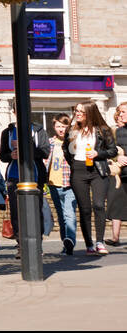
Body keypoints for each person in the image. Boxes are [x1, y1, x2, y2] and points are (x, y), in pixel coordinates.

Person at [65, 101, 117, 254]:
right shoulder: (72, 130)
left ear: (90, 112)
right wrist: (74, 164)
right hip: (79, 171)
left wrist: (98, 154)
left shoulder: (103, 130)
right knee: (85, 209)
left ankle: (100, 242)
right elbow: (66, 151)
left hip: (97, 170)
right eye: (77, 110)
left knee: (99, 205)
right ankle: (89, 244)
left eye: (81, 111)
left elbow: (112, 150)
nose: (78, 113)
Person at [0, 115, 51, 249]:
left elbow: (45, 152)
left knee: (36, 209)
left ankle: (37, 243)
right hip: (14, 176)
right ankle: (21, 244)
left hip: (35, 174)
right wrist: (11, 155)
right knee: (16, 212)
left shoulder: (38, 130)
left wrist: (26, 149)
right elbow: (2, 155)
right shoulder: (8, 132)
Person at [47, 114, 78, 255]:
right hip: (54, 183)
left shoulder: (73, 143)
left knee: (69, 214)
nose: (61, 129)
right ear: (54, 127)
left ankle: (70, 240)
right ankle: (66, 243)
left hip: (70, 184)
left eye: (64, 126)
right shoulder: (49, 143)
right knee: (61, 216)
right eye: (58, 126)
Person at [107, 103, 127, 246]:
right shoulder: (115, 132)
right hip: (119, 174)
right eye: (119, 112)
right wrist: (116, 158)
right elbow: (109, 151)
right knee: (116, 203)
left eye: (123, 112)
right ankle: (115, 238)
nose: (120, 115)